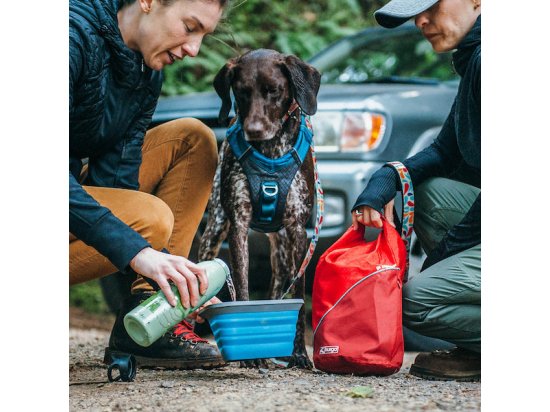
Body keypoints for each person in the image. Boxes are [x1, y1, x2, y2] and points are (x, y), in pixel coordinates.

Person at [69, 0, 231, 369]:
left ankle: (154, 313)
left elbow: (115, 186)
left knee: (194, 140)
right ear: (147, 2)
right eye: (190, 27)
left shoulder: (144, 69)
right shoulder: (68, 35)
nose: (194, 50)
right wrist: (141, 252)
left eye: (204, 35)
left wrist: (172, 280)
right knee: (149, 217)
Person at [351, 0, 481, 381]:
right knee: (426, 192)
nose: (421, 21)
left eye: (432, 7)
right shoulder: (475, 58)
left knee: (410, 301)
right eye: (415, 13)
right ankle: (478, 349)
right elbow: (443, 151)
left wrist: (444, 254)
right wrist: (386, 179)